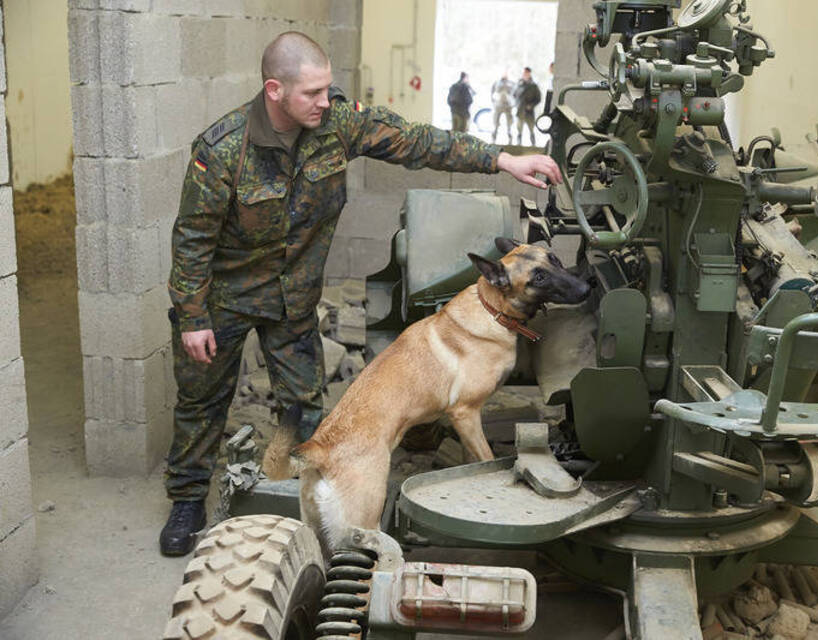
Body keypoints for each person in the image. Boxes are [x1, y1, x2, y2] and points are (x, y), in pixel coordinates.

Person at [159, 32, 562, 556]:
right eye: (313, 93)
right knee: (201, 402)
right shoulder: (222, 149)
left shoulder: (338, 124)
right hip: (225, 300)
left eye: (329, 89)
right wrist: (193, 317)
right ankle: (187, 499)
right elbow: (191, 238)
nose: (326, 102)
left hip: (293, 301)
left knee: (307, 409)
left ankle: (302, 510)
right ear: (274, 90)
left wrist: (503, 160)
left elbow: (419, 141)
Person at [514, 67, 542, 146]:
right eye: (524, 73)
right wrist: (516, 105)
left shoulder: (534, 86)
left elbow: (538, 98)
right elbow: (514, 95)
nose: (525, 74)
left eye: (527, 73)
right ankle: (518, 144)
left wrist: (531, 105)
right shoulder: (519, 84)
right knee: (519, 129)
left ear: (529, 74)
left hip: (529, 111)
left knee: (531, 129)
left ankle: (533, 144)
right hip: (520, 110)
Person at [490, 73, 515, 144]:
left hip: (508, 106)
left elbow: (515, 94)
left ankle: (510, 138)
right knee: (496, 123)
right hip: (498, 105)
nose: (505, 74)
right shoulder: (497, 82)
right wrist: (493, 101)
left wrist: (513, 104)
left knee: (509, 123)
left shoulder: (512, 83)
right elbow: (492, 92)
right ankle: (493, 138)